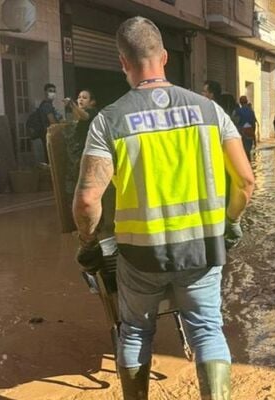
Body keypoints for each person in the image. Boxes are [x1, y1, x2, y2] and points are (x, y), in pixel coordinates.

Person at [72, 16, 254, 400]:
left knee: (135, 330)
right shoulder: (210, 111)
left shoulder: (109, 121)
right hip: (203, 250)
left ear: (123, 62)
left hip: (140, 256)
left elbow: (88, 200)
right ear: (166, 57)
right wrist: (231, 223)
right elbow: (246, 182)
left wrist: (88, 244)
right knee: (207, 329)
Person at [63, 89, 98, 198]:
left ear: (92, 102)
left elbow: (85, 116)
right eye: (79, 97)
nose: (80, 99)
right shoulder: (78, 112)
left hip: (87, 153)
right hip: (77, 153)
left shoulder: (93, 111)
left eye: (84, 97)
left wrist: (72, 104)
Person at [35, 83, 61, 163]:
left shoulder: (47, 105)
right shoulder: (46, 106)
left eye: (54, 91)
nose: (52, 93)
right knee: (52, 159)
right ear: (45, 92)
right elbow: (52, 121)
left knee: (49, 157)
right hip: (49, 134)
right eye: (50, 91)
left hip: (46, 134)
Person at [234, 95, 257, 161]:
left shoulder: (238, 111)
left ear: (240, 102)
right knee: (248, 152)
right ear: (247, 102)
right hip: (249, 133)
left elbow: (234, 122)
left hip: (241, 133)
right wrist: (253, 135)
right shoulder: (251, 111)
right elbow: (253, 124)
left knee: (242, 152)